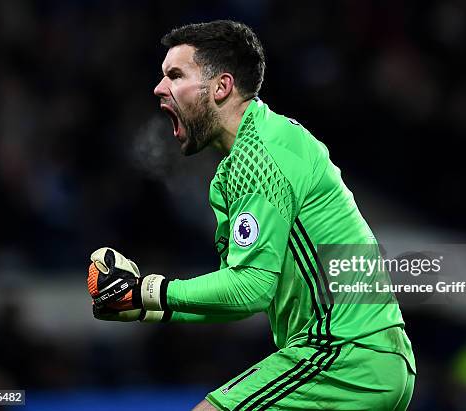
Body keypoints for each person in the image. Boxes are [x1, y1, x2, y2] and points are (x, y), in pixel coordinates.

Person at [87, 20, 416, 411]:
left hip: (344, 354)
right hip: (369, 358)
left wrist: (146, 291)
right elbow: (239, 294)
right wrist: (145, 305)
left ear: (221, 87)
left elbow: (249, 290)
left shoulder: (261, 156)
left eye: (175, 75)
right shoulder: (246, 157)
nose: (159, 88)